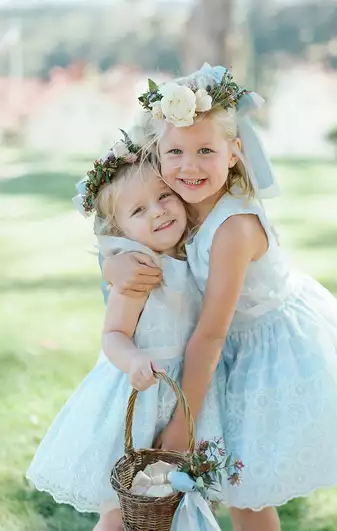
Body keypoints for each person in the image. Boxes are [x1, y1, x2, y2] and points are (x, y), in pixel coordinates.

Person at [104, 64, 337, 531]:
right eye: (175, 151)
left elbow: (211, 334)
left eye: (206, 150)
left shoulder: (234, 228)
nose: (190, 165)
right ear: (157, 156)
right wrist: (112, 262)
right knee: (240, 485)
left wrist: (182, 426)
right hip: (221, 348)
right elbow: (133, 231)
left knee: (249, 487)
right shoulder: (181, 207)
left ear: (235, 152)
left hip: (264, 349)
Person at [26, 134, 223, 531]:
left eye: (165, 196)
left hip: (181, 393)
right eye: (139, 210)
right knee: (122, 510)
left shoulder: (190, 253)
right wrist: (133, 360)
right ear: (120, 229)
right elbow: (113, 334)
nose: (158, 212)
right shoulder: (138, 267)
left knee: (174, 505)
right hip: (139, 398)